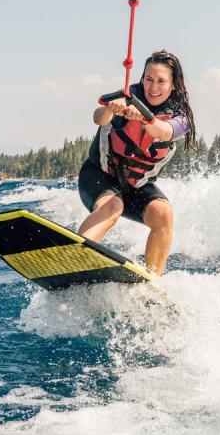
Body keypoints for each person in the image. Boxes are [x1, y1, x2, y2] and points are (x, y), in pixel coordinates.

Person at [77, 49, 196, 275]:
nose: (153, 87)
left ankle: (152, 280)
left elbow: (162, 131)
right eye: (149, 79)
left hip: (136, 186)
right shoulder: (128, 96)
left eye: (161, 81)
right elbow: (98, 117)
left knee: (163, 213)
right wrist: (113, 108)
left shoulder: (182, 117)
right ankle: (74, 254)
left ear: (173, 85)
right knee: (113, 206)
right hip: (99, 176)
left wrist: (140, 115)